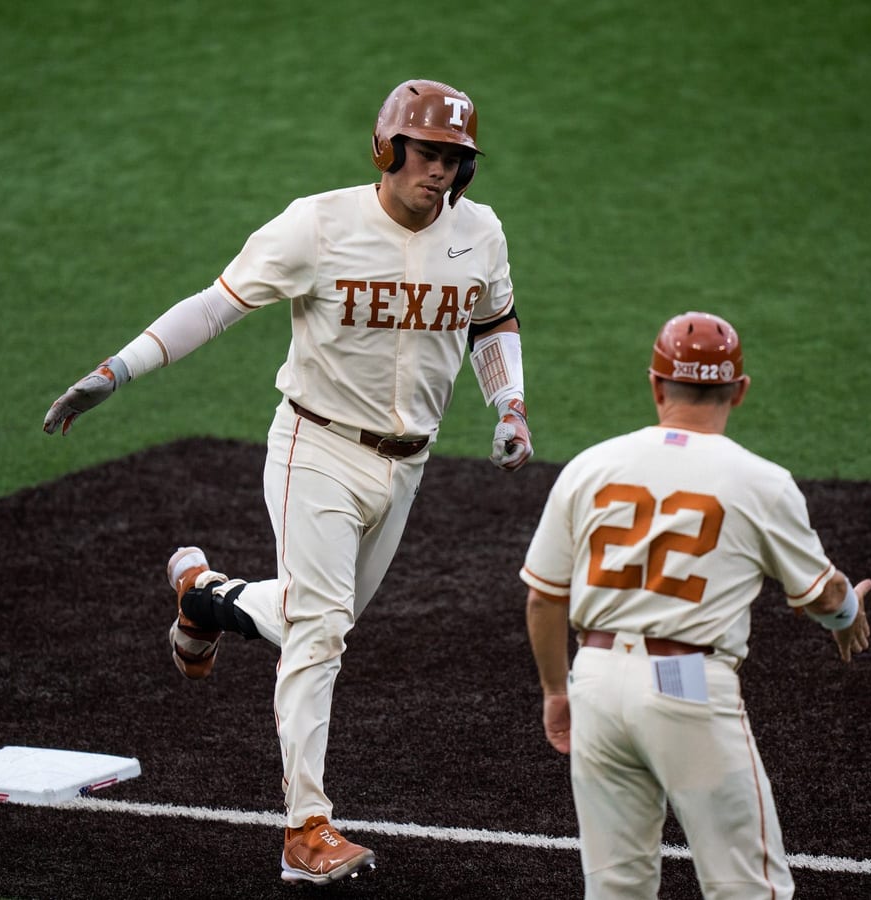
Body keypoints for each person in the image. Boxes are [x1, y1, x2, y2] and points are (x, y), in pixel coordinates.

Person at [43, 78, 533, 885]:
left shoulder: (479, 232)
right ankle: (306, 830)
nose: (440, 170)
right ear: (388, 147)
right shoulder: (318, 224)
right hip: (318, 446)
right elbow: (215, 306)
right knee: (320, 634)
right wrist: (115, 371)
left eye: (455, 157)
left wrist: (509, 403)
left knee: (319, 616)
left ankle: (204, 597)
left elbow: (493, 320)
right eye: (427, 152)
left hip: (408, 462)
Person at [520, 311, 871, 899]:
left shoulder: (590, 465)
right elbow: (823, 593)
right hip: (687, 683)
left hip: (596, 683)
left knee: (615, 889)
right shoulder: (761, 481)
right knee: (748, 886)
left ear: (656, 385)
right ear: (740, 390)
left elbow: (542, 598)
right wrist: (846, 616)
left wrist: (557, 692)